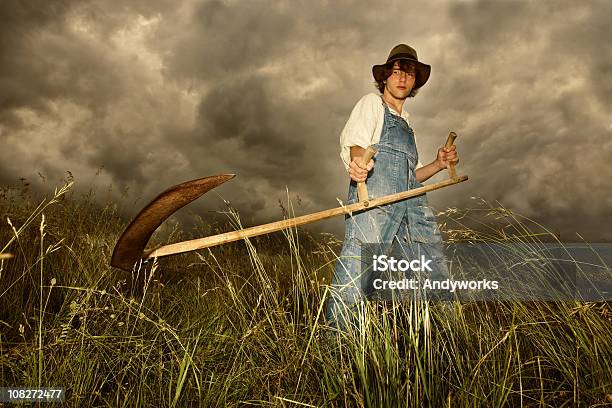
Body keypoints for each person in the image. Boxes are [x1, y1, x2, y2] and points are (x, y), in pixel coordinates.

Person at [325, 44, 459, 331]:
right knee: (358, 273)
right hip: (376, 201)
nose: (402, 78)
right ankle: (337, 348)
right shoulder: (372, 105)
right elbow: (358, 147)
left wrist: (437, 164)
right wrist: (359, 164)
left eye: (408, 73)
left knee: (432, 270)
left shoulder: (407, 125)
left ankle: (443, 341)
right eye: (396, 71)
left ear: (414, 82)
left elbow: (412, 177)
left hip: (413, 208)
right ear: (385, 77)